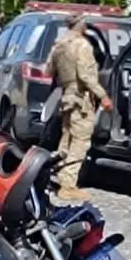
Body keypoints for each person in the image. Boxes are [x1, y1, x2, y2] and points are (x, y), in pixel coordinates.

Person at [46, 14, 113, 202]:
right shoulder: (82, 45)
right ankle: (67, 185)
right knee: (80, 141)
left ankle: (58, 176)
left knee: (66, 139)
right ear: (82, 26)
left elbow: (49, 70)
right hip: (81, 98)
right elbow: (86, 76)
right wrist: (103, 95)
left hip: (66, 96)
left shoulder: (59, 44)